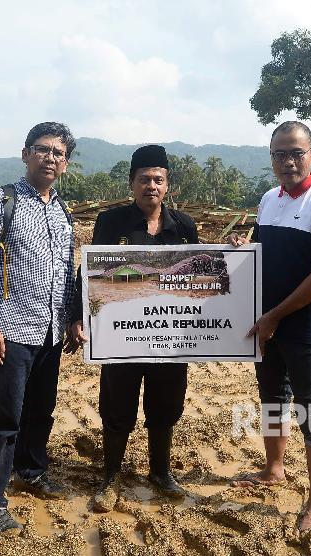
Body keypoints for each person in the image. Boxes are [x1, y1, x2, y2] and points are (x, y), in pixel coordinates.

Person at [228, 121, 311, 531]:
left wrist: (275, 316)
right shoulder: (269, 199)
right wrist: (244, 251)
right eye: (279, 154)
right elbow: (264, 250)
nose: (288, 161)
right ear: (271, 159)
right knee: (272, 400)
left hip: (304, 327)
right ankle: (274, 468)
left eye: (296, 152)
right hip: (267, 324)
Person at [65, 145, 198, 513]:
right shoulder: (112, 222)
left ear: (167, 185)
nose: (150, 186)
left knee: (166, 404)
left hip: (170, 337)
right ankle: (111, 477)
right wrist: (79, 315)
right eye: (144, 180)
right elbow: (89, 271)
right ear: (132, 184)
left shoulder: (184, 227)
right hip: (121, 334)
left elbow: (203, 276)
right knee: (117, 404)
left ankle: (160, 471)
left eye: (158, 180)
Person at [0, 122, 77, 536]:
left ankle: (31, 470)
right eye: (43, 149)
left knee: (40, 410)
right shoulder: (1, 200)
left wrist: (69, 319)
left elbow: (66, 271)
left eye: (59, 153)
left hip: (50, 331)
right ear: (26, 153)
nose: (51, 158)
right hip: (12, 328)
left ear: (66, 163)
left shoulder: (62, 210)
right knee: (4, 414)